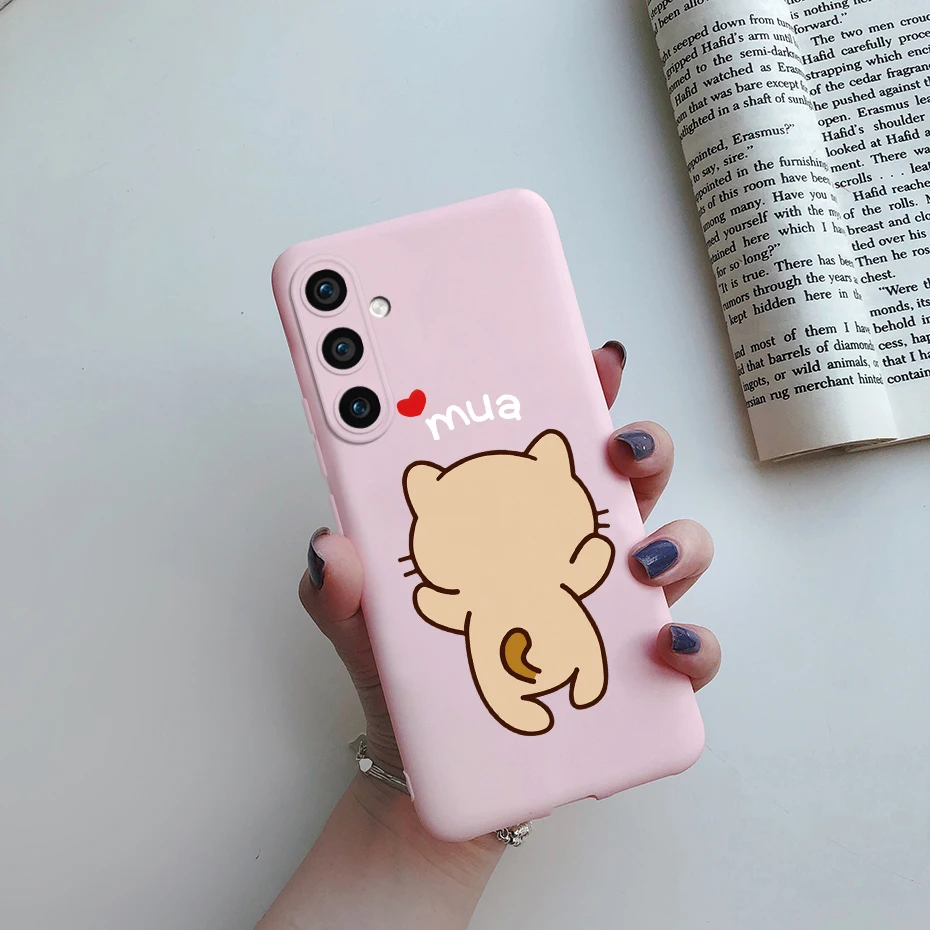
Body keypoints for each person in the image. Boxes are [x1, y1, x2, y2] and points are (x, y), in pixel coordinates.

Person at [255, 342, 720, 930]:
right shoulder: (459, 588)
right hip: (496, 663)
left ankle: (583, 680)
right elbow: (443, 602)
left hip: (554, 637)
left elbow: (589, 560)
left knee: (588, 647)